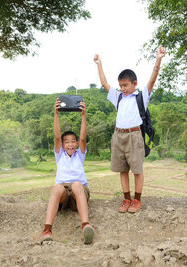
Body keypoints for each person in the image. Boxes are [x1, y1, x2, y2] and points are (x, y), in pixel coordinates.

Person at [93, 46, 166, 213]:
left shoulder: (141, 97)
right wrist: (99, 63)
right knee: (122, 169)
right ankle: (126, 199)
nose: (123, 88)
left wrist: (158, 60)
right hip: (118, 135)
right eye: (121, 85)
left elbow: (152, 81)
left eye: (126, 85)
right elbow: (104, 83)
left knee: (137, 170)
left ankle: (137, 200)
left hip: (134, 135)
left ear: (134, 83)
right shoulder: (118, 97)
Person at [40, 98, 94, 244]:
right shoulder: (60, 155)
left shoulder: (80, 155)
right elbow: (57, 136)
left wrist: (84, 116)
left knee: (76, 184)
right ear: (63, 145)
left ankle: (85, 226)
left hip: (79, 192)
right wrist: (56, 114)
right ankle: (47, 230)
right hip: (64, 193)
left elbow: (83, 137)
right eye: (67, 142)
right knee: (57, 187)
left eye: (73, 141)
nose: (70, 144)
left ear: (76, 144)